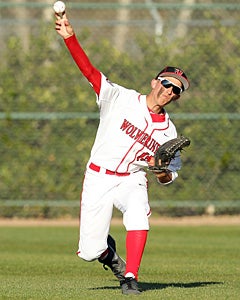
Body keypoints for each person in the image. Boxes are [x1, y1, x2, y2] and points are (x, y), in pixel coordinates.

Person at [55, 12, 190, 295]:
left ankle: (131, 276)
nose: (170, 92)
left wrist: (160, 168)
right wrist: (70, 38)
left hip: (131, 178)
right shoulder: (120, 97)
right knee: (91, 250)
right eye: (167, 84)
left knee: (139, 213)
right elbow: (90, 72)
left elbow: (167, 178)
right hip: (98, 177)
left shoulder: (169, 132)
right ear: (155, 82)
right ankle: (112, 257)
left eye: (176, 91)